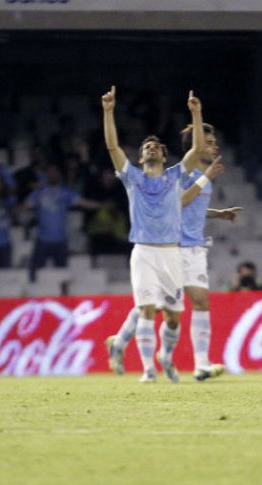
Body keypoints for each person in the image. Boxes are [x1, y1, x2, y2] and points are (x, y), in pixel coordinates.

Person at [105, 122, 241, 382]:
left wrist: (217, 214)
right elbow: (178, 201)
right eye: (209, 143)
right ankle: (132, 349)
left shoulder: (203, 178)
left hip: (192, 246)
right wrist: (205, 178)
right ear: (196, 146)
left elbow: (182, 209)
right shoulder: (187, 175)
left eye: (214, 143)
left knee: (181, 308)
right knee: (154, 307)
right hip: (173, 246)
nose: (214, 147)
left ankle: (183, 360)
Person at [101, 85, 203, 383]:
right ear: (141, 156)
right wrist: (108, 112)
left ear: (163, 155)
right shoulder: (132, 178)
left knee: (172, 316)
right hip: (143, 251)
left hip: (171, 252)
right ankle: (148, 370)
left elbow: (196, 150)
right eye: (146, 147)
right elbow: (112, 148)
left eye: (155, 147)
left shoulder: (174, 176)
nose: (150, 148)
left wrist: (196, 113)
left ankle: (165, 357)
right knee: (146, 309)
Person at [23, 163, 101, 282]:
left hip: (60, 240)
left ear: (58, 175)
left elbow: (83, 202)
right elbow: (26, 205)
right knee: (35, 273)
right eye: (50, 172)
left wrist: (101, 205)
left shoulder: (65, 192)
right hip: (42, 239)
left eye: (55, 172)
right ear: (46, 174)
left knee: (62, 274)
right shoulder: (39, 192)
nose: (52, 174)